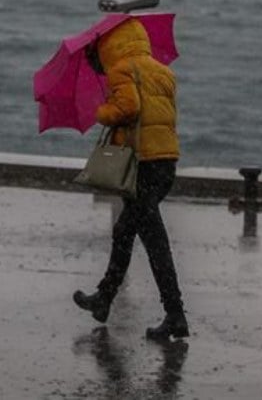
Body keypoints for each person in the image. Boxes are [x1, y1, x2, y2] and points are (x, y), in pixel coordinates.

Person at [73, 18, 189, 340]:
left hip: (142, 165)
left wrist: (102, 112)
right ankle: (105, 299)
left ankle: (174, 314)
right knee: (129, 231)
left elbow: (128, 107)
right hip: (165, 162)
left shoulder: (121, 69)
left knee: (148, 239)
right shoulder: (162, 71)